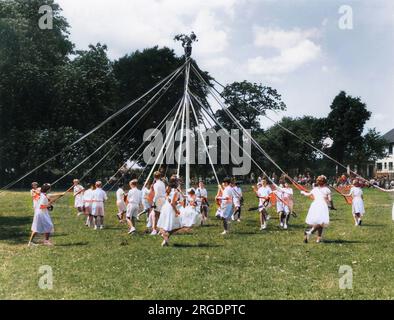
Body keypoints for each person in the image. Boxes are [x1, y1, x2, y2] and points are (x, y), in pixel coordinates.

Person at [301, 175, 331, 243]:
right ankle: (309, 232)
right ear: (325, 182)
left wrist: (302, 192)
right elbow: (329, 199)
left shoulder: (314, 189)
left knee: (319, 222)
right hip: (322, 205)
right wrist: (331, 205)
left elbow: (307, 194)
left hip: (315, 205)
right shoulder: (327, 189)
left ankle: (318, 238)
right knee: (321, 222)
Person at [157, 176, 182, 246]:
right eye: (178, 181)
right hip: (171, 208)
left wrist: (168, 198)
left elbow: (166, 195)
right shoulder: (176, 191)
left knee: (170, 225)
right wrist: (177, 211)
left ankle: (165, 239)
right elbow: (172, 203)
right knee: (178, 225)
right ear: (176, 182)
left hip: (166, 207)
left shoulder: (168, 188)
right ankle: (165, 234)